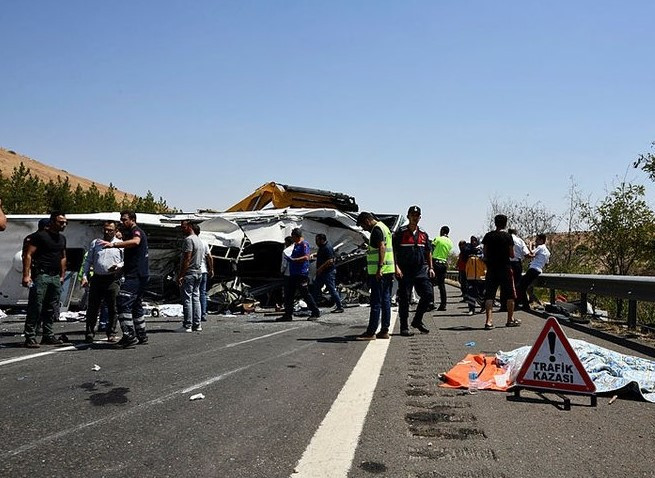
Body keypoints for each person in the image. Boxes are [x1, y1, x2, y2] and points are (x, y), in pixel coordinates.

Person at [21, 211, 68, 348]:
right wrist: (26, 275)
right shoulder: (39, 236)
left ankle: (48, 334)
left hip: (55, 276)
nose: (64, 225)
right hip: (42, 275)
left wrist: (62, 275)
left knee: (51, 307)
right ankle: (30, 336)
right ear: (53, 221)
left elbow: (63, 257)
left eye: (65, 222)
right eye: (61, 222)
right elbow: (28, 255)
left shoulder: (62, 239)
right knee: (36, 305)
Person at [103, 210, 149, 347]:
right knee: (136, 304)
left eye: (125, 220)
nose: (122, 222)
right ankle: (141, 334)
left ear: (133, 219)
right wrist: (120, 269)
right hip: (138, 273)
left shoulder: (136, 232)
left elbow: (136, 242)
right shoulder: (130, 234)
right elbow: (134, 258)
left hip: (136, 275)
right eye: (121, 220)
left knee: (123, 301)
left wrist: (114, 244)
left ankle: (129, 335)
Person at [393, 206, 435, 335]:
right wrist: (396, 267)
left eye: (417, 215)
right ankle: (404, 327)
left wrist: (431, 267)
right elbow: (393, 251)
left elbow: (428, 252)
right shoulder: (400, 233)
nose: (414, 217)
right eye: (412, 215)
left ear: (420, 217)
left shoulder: (423, 234)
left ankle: (417, 320)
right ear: (408, 216)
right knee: (404, 298)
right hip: (405, 270)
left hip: (421, 269)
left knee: (428, 295)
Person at [81, 221, 123, 343]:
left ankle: (111, 332)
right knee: (93, 307)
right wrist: (85, 276)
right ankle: (89, 332)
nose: (107, 232)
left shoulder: (120, 244)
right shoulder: (96, 243)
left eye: (110, 230)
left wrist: (118, 266)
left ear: (115, 231)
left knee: (112, 307)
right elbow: (88, 260)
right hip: (97, 278)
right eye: (105, 229)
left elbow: (126, 261)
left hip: (112, 279)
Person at [355, 212, 395, 340]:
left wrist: (379, 268)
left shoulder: (377, 229)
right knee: (385, 300)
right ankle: (384, 330)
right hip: (388, 270)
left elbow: (382, 247)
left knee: (376, 302)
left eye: (363, 225)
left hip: (380, 272)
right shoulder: (384, 227)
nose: (363, 228)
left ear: (367, 221)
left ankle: (371, 332)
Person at [481, 214, 518, 329]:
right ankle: (510, 319)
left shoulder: (488, 236)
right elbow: (512, 254)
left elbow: (485, 253)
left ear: (495, 223)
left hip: (492, 269)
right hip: (505, 268)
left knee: (489, 295)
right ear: (505, 223)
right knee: (510, 295)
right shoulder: (508, 237)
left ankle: (489, 321)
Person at [278, 228, 320, 321]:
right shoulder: (295, 245)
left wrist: (294, 260)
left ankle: (315, 312)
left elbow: (306, 257)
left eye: (293, 237)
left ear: (296, 236)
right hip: (293, 274)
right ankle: (288, 314)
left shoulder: (304, 244)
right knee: (289, 294)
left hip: (301, 273)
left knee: (305, 293)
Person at [178, 220, 205, 332]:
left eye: (183, 227)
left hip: (189, 273)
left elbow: (187, 258)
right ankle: (197, 324)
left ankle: (187, 325)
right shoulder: (199, 240)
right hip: (199, 272)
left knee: (187, 299)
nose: (182, 229)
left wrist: (181, 275)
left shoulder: (189, 240)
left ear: (189, 227)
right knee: (196, 298)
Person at [516, 234, 551, 310]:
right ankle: (523, 303)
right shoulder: (548, 252)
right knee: (523, 286)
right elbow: (547, 262)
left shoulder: (540, 247)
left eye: (537, 240)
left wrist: (530, 245)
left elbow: (531, 253)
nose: (536, 242)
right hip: (538, 270)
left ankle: (524, 305)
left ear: (541, 240)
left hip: (533, 269)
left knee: (520, 286)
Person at [313, 233, 344, 313]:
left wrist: (320, 268)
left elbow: (330, 260)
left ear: (322, 240)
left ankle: (340, 306)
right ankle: (313, 306)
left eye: (317, 240)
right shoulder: (322, 247)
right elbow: (324, 256)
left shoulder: (327, 247)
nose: (316, 242)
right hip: (322, 273)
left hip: (328, 272)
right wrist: (315, 255)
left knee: (331, 290)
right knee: (316, 288)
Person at [191, 223, 214, 322]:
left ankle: (195, 315)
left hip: (194, 270)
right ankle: (203, 314)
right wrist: (211, 269)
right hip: (203, 271)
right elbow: (209, 257)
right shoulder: (204, 243)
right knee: (202, 293)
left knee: (193, 294)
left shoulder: (191, 242)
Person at [431, 225, 453, 311]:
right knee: (442, 285)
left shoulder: (437, 239)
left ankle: (431, 303)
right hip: (443, 263)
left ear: (442, 231)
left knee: (430, 283)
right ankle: (443, 304)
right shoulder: (450, 242)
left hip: (435, 262)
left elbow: (431, 249)